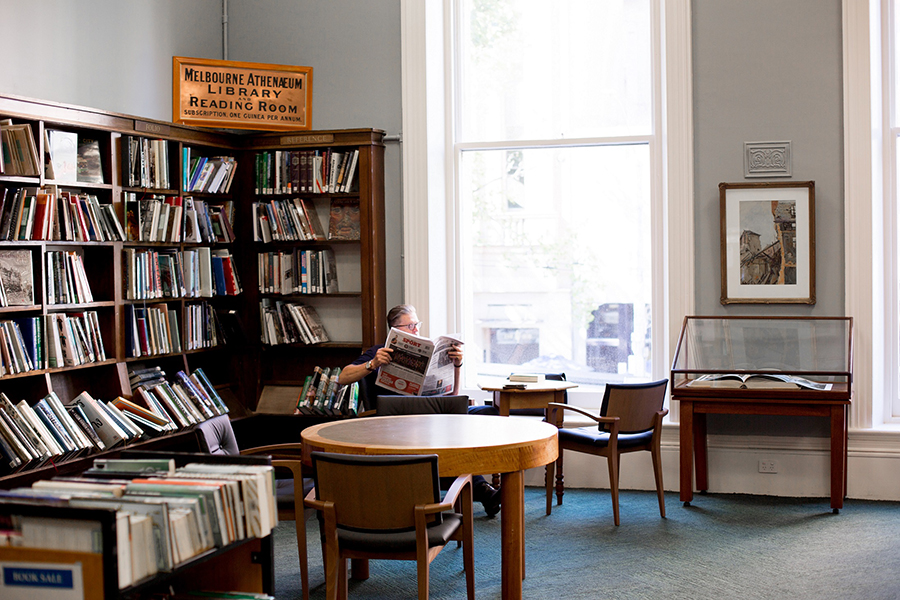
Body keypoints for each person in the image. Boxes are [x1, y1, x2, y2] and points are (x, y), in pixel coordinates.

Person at [339, 304, 501, 517]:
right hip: (399, 422)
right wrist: (372, 364)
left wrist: (457, 365)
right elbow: (343, 377)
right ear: (395, 330)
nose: (416, 330)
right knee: (441, 439)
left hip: (432, 415)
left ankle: (479, 487)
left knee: (485, 414)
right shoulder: (378, 351)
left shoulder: (428, 353)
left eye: (417, 325)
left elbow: (452, 398)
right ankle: (482, 490)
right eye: (411, 326)